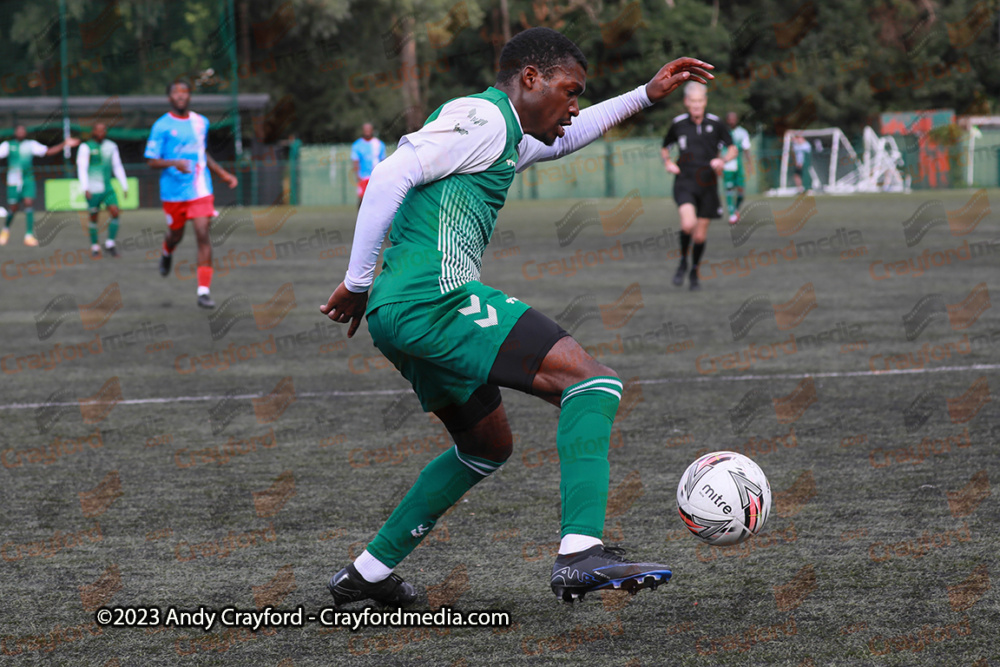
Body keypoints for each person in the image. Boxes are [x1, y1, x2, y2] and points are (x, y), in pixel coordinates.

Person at [321, 27, 712, 607]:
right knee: (593, 382)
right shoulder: (482, 117)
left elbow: (566, 137)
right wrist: (355, 281)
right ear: (530, 78)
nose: (573, 104)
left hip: (399, 312)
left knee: (485, 446)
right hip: (435, 298)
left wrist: (646, 94)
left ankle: (367, 575)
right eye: (569, 89)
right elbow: (388, 175)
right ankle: (581, 552)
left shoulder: (507, 133)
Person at [145, 79, 238, 308]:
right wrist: (174, 162)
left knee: (202, 232)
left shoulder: (200, 122)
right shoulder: (161, 126)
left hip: (199, 188)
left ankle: (203, 291)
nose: (181, 95)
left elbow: (201, 152)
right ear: (169, 98)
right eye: (176, 92)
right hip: (173, 193)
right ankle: (167, 250)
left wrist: (223, 174)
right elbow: (151, 161)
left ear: (189, 96)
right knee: (175, 234)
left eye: (185, 92)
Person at [661, 82, 736, 291]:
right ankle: (682, 262)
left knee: (700, 235)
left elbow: (732, 149)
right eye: (692, 101)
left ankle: (694, 270)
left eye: (700, 101)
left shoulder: (716, 123)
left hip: (708, 184)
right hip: (684, 182)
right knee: (687, 225)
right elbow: (665, 147)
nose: (696, 105)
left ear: (705, 102)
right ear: (686, 102)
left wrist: (722, 161)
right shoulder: (678, 124)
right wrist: (668, 163)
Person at [0, 125, 80, 247]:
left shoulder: (31, 145)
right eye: (19, 130)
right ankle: (5, 230)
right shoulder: (8, 145)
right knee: (13, 208)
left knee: (28, 203)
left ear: (25, 132)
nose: (21, 132)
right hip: (13, 181)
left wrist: (64, 144)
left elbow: (47, 151)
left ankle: (29, 235)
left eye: (23, 130)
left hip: (28, 180)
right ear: (15, 132)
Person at [77, 123, 128, 258]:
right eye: (97, 130)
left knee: (115, 212)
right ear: (93, 131)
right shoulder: (85, 147)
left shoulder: (111, 146)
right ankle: (95, 246)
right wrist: (85, 187)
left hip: (108, 188)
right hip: (93, 190)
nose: (100, 133)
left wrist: (124, 185)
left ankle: (110, 243)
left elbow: (117, 166)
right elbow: (82, 168)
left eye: (103, 130)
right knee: (93, 217)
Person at [723, 111, 752, 225]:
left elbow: (746, 149)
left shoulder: (742, 132)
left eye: (734, 119)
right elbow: (718, 149)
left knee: (741, 191)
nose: (732, 121)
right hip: (727, 164)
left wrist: (749, 164)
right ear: (727, 120)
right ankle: (731, 214)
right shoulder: (723, 132)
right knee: (729, 188)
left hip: (738, 164)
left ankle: (735, 209)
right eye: (729, 119)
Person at [350, 123, 386, 208]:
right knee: (362, 199)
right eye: (365, 130)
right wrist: (357, 175)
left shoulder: (379, 144)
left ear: (372, 130)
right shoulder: (357, 145)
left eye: (369, 130)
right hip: (363, 176)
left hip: (376, 176)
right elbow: (355, 161)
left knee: (377, 199)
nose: (367, 132)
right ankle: (361, 219)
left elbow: (383, 160)